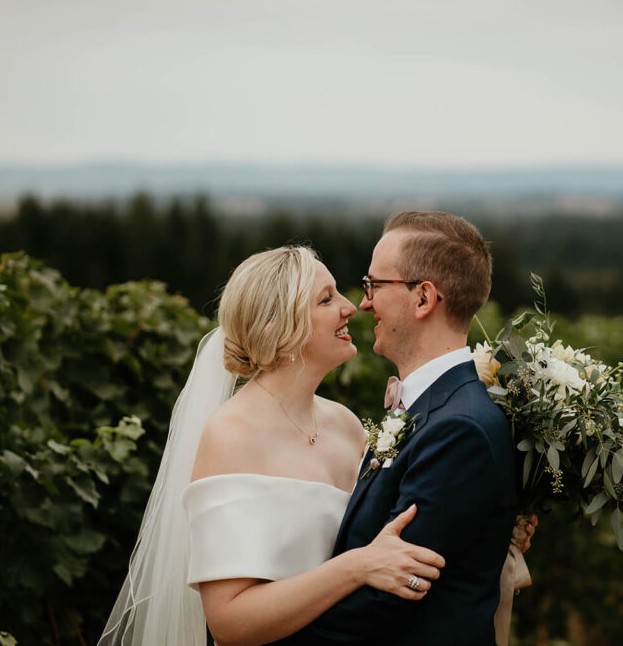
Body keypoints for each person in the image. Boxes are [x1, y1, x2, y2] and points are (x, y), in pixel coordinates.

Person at [100, 246, 446, 646]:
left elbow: (392, 537)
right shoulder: (231, 435)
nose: (351, 307)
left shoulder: (347, 425)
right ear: (276, 328)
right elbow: (229, 622)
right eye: (326, 299)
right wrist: (356, 567)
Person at [275, 211, 519, 646]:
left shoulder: (459, 428)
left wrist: (264, 628)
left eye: (374, 286)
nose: (363, 303)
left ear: (423, 299)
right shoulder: (428, 406)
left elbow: (385, 601)